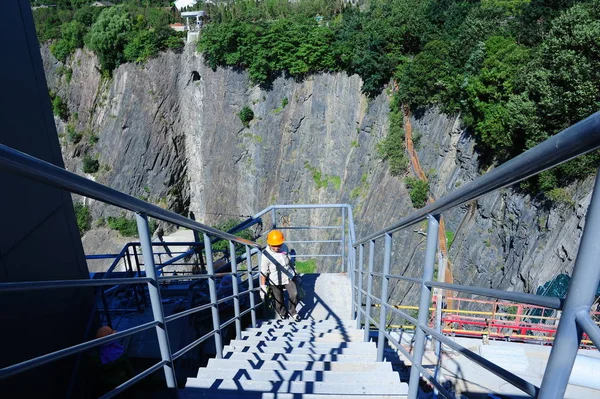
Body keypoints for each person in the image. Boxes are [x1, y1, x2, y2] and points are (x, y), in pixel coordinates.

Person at [260, 230, 300, 321]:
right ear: (269, 244)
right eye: (274, 245)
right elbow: (263, 271)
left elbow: (289, 260)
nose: (277, 247)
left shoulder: (284, 247)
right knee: (279, 300)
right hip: (275, 280)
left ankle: (292, 311)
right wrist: (263, 286)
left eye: (279, 245)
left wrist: (294, 271)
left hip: (288, 275)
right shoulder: (266, 255)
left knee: (294, 294)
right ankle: (282, 313)